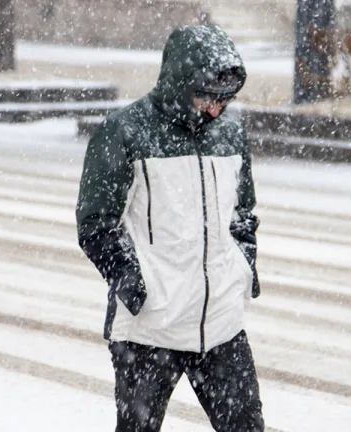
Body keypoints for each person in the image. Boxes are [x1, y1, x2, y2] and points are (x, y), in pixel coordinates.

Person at [76, 25, 264, 432]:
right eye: (205, 98)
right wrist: (135, 284)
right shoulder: (125, 132)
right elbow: (95, 225)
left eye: (224, 100)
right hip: (150, 329)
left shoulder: (230, 135)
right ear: (178, 82)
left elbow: (242, 214)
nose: (215, 110)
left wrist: (242, 267)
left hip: (220, 325)